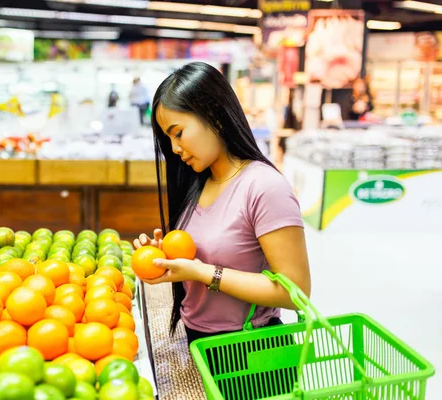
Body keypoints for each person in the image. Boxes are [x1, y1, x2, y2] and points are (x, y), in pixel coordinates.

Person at [133, 62, 311, 395]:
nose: (174, 148)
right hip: (201, 344)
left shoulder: (265, 187)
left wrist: (204, 273)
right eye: (167, 138)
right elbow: (202, 253)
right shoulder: (199, 183)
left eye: (178, 132)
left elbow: (295, 292)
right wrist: (164, 257)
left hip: (251, 356)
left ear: (213, 116)